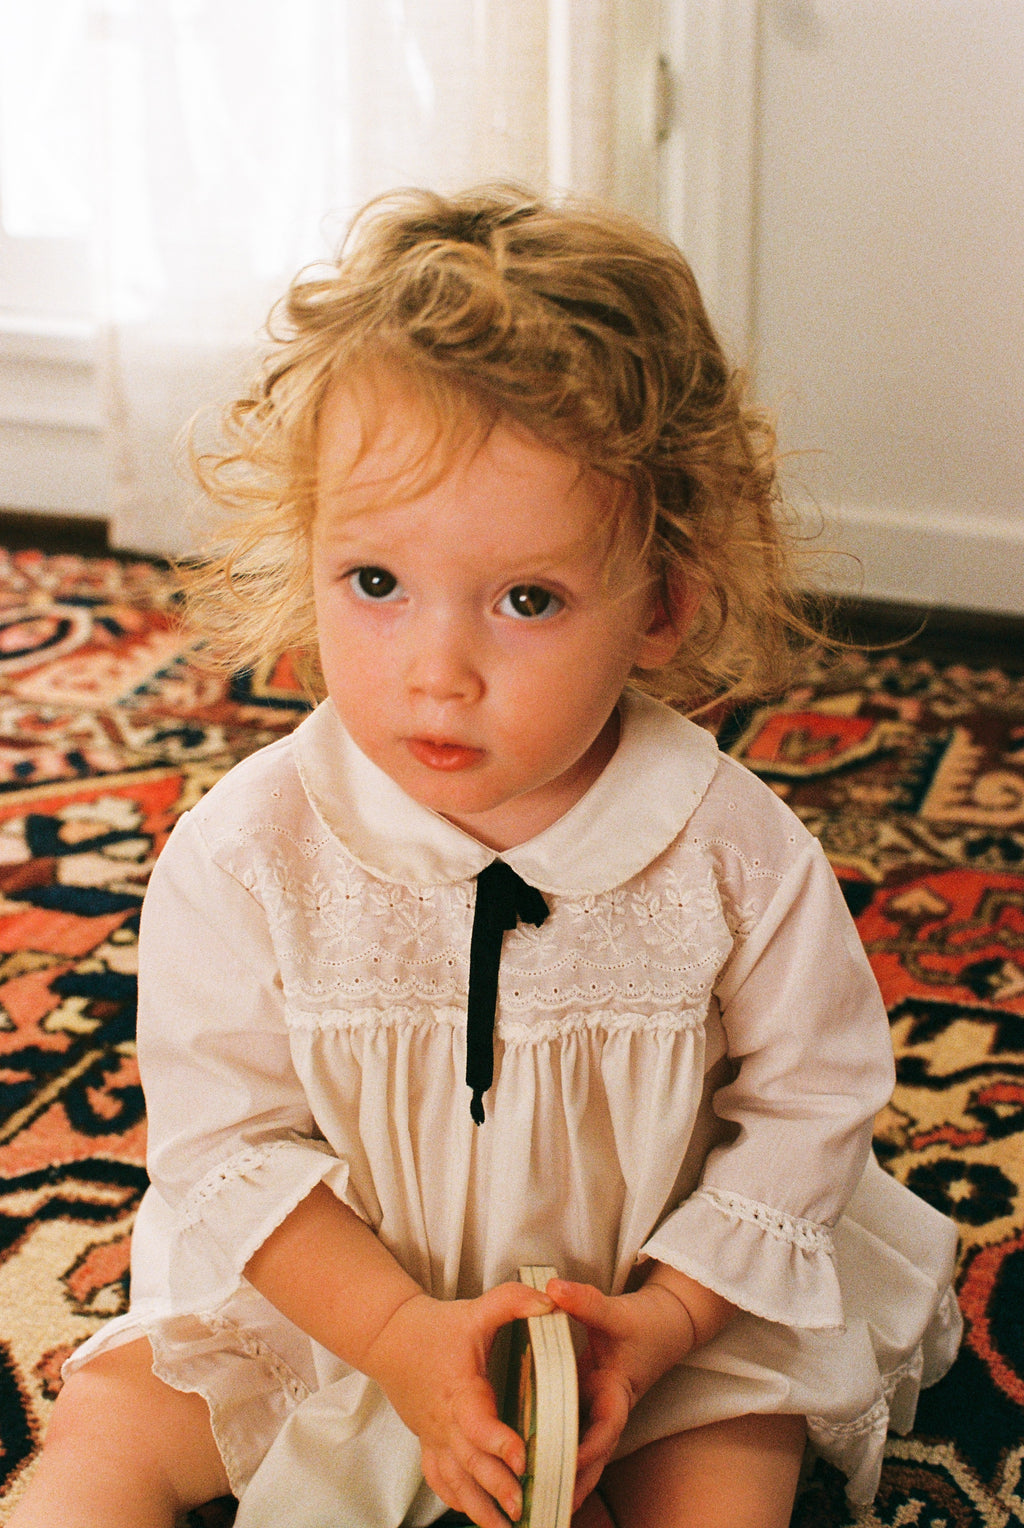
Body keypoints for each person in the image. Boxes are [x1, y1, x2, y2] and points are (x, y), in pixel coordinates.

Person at [11, 186, 961, 1528]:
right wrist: (395, 1335)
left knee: (728, 1468)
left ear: (662, 603)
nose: (436, 671)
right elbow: (227, 1147)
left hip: (644, 1306)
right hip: (332, 1297)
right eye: (376, 584)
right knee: (115, 1423)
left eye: (526, 600)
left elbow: (815, 1102)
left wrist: (671, 1320)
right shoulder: (250, 854)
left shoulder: (730, 851)